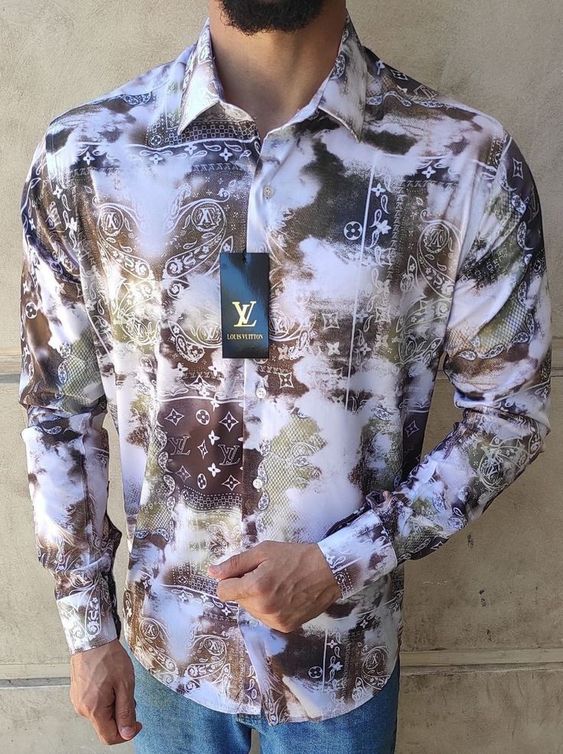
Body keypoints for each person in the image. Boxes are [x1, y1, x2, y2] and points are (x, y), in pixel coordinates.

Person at [18, 0, 552, 752]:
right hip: (165, 658)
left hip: (341, 662)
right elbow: (57, 410)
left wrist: (343, 562)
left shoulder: (461, 162)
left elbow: (509, 411)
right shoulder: (88, 156)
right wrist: (87, 626)